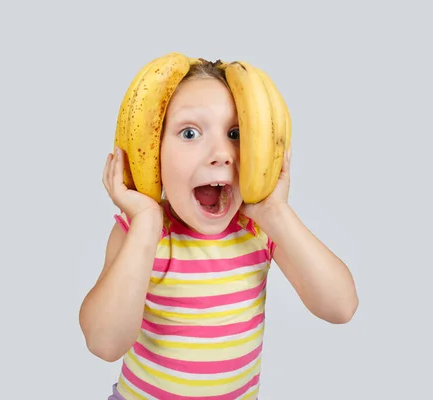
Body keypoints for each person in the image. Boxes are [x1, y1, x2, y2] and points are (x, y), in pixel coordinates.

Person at [79, 59, 359, 399]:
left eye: (236, 134)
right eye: (190, 133)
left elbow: (341, 306)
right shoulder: (141, 232)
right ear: (153, 151)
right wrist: (145, 224)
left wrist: (277, 214)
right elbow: (104, 343)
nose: (221, 154)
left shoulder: (260, 228)